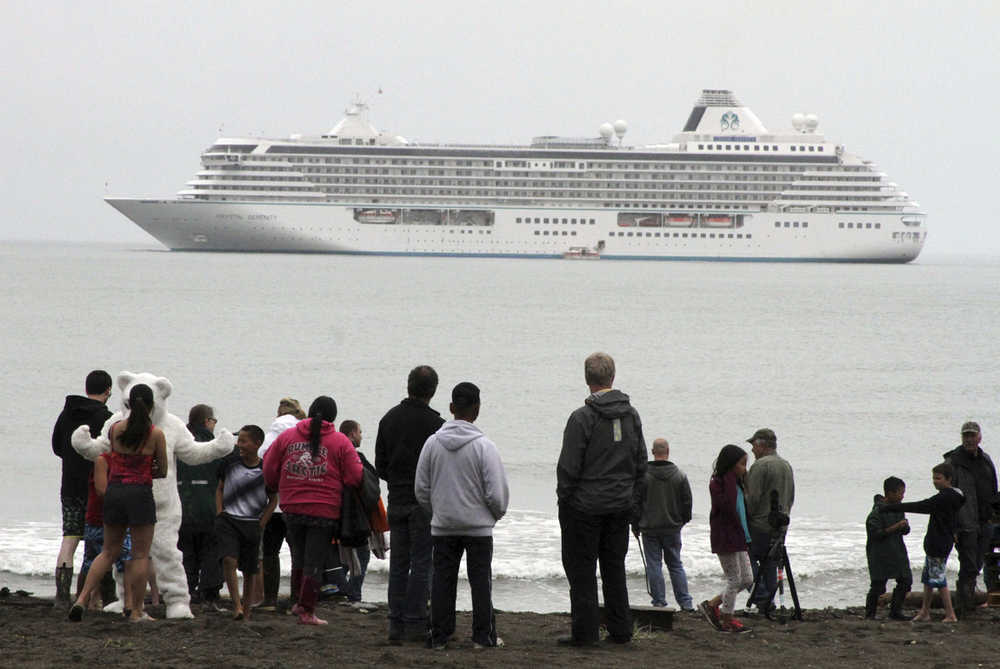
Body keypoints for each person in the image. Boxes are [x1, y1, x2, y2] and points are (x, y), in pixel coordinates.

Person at [556, 352, 647, 646]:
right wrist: (635, 503)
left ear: (587, 379)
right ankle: (620, 630)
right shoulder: (631, 415)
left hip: (585, 507)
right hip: (620, 504)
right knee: (613, 568)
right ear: (612, 377)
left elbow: (568, 467)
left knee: (582, 571)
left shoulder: (582, 418)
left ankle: (585, 633)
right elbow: (640, 463)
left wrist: (565, 501)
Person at [415, 382, 509, 650]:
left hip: (444, 524)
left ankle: (440, 636)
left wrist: (438, 510)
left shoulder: (433, 443)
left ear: (451, 408)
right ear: (477, 410)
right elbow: (496, 492)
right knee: (481, 582)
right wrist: (493, 514)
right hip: (478, 527)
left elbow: (421, 488)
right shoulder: (484, 446)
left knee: (442, 580)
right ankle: (482, 637)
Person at [69, 383, 167, 622]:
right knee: (140, 554)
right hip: (140, 494)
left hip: (115, 493)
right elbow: (163, 469)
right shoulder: (155, 434)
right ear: (152, 405)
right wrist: (146, 471)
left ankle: (81, 599)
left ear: (128, 404)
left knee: (108, 551)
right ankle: (135, 611)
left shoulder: (115, 429)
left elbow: (114, 459)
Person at [263, 396, 362, 625]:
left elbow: (269, 466)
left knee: (299, 556)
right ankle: (307, 610)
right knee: (314, 561)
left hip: (292, 507)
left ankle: (298, 601)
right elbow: (355, 476)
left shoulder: (287, 437)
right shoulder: (340, 442)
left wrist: (275, 486)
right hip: (324, 509)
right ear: (334, 417)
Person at [375, 366, 445, 643]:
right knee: (422, 562)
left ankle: (395, 622)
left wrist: (396, 479)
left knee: (399, 563)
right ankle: (415, 621)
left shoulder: (389, 419)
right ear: (433, 391)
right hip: (423, 502)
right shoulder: (436, 425)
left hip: (396, 498)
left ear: (408, 386)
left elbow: (381, 465)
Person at [51, 370, 113, 606]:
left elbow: (57, 446)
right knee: (99, 541)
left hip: (69, 484)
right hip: (94, 486)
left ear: (87, 387)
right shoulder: (105, 417)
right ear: (108, 390)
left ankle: (62, 595)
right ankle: (97, 596)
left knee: (70, 538)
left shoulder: (66, 413)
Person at [881, 462, 965, 622]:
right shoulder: (955, 495)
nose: (935, 481)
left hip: (939, 544)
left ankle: (950, 614)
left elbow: (921, 506)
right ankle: (925, 611)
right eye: (933, 478)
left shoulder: (945, 497)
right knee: (928, 578)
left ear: (949, 479)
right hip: (938, 541)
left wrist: (891, 507)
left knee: (939, 580)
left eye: (938, 478)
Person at [216, 425, 276, 621]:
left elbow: (273, 499)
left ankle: (247, 611)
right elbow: (219, 488)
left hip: (252, 523)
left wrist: (262, 522)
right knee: (229, 560)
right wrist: (220, 513)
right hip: (230, 520)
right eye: (238, 440)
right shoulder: (230, 463)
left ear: (257, 444)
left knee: (250, 569)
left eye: (244, 441)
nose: (239, 444)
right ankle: (237, 606)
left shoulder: (265, 469)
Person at [943, 421, 997, 616]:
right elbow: (946, 497)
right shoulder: (952, 462)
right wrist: (953, 527)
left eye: (972, 435)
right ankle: (963, 605)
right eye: (966, 436)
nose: (969, 439)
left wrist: (994, 517)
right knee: (968, 564)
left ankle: (969, 602)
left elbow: (993, 490)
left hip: (986, 521)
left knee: (977, 564)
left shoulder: (986, 460)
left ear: (979, 437)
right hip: (964, 523)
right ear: (961, 438)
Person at [698, 444, 753, 633]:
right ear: (730, 465)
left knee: (747, 579)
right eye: (741, 464)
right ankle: (727, 618)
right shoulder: (719, 483)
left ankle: (712, 604)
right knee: (734, 579)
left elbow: (742, 510)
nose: (744, 469)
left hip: (739, 536)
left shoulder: (737, 483)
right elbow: (728, 506)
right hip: (725, 537)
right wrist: (730, 477)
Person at [176, 404, 226, 610]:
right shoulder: (213, 447)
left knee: (186, 551)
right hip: (209, 508)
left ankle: (186, 590)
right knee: (211, 551)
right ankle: (209, 592)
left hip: (181, 508)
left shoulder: (179, 444)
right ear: (207, 421)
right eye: (214, 421)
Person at [257, 397, 305, 611]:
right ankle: (297, 598)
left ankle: (270, 599)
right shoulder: (303, 432)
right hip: (296, 501)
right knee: (298, 551)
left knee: (270, 551)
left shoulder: (273, 432)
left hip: (274, 503)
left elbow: (262, 456)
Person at [637, 438, 694, 611]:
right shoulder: (679, 475)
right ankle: (685, 603)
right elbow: (687, 503)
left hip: (650, 527)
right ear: (668, 451)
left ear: (653, 452)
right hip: (672, 527)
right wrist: (681, 521)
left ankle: (659, 602)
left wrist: (635, 524)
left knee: (654, 565)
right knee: (675, 564)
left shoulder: (643, 476)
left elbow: (635, 502)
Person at [744, 427, 795, 613]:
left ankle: (763, 597)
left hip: (760, 525)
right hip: (781, 524)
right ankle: (769, 601)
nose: (751, 450)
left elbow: (753, 499)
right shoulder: (786, 465)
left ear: (761, 445)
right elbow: (791, 498)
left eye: (753, 446)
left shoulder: (760, 466)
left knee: (746, 561)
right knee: (771, 564)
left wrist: (745, 520)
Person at [80, 451, 131, 610]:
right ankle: (128, 604)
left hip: (95, 517)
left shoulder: (102, 460)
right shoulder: (108, 460)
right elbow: (102, 490)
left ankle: (85, 598)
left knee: (92, 560)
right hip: (110, 518)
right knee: (126, 561)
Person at [339, 420, 378, 610]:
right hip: (354, 514)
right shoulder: (355, 457)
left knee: (342, 557)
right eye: (360, 432)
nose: (361, 436)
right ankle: (353, 595)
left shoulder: (335, 454)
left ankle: (338, 591)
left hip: (337, 513)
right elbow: (369, 484)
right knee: (361, 555)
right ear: (352, 433)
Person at [864, 476, 912, 620]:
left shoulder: (898, 508)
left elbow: (905, 531)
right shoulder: (876, 513)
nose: (902, 496)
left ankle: (895, 611)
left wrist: (905, 527)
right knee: (878, 586)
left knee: (905, 581)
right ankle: (870, 614)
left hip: (897, 551)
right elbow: (876, 534)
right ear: (889, 493)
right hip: (879, 554)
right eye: (900, 493)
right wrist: (896, 526)